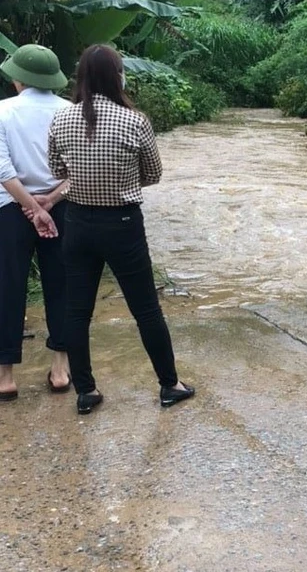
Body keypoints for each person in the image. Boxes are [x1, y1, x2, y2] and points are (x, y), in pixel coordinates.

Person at [47, 45, 194, 415]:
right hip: (123, 224)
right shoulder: (134, 120)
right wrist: (122, 182)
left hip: (77, 221)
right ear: (117, 76)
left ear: (81, 77)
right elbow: (154, 174)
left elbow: (56, 170)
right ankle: (169, 385)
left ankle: (87, 392)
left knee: (77, 311)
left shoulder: (61, 119)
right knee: (145, 309)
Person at [0, 44, 72, 402]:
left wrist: (29, 205)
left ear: (18, 79)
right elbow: (80, 170)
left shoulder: (2, 112)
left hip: (10, 208)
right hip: (58, 206)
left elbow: (3, 171)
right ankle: (60, 368)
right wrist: (49, 201)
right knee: (61, 284)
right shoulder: (72, 112)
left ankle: (6, 376)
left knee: (7, 284)